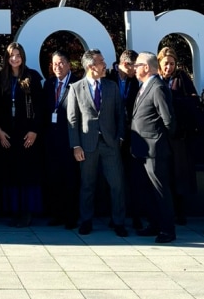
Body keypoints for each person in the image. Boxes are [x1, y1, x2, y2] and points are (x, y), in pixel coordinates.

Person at [66, 49, 127, 236]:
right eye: (101, 61)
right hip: (87, 145)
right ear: (91, 66)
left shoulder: (112, 86)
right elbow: (72, 119)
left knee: (117, 185)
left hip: (110, 144)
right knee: (87, 185)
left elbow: (120, 115)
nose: (105, 64)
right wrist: (75, 145)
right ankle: (86, 221)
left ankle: (118, 222)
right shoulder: (76, 88)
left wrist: (120, 137)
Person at [0, 42, 46, 227]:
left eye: (18, 55)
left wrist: (34, 131)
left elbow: (40, 107)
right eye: (11, 55)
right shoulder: (2, 78)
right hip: (8, 133)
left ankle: (27, 212)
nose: (14, 58)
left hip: (27, 133)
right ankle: (14, 210)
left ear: (22, 57)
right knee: (11, 172)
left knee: (27, 173)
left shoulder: (32, 77)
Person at [131, 52, 177, 243]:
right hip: (142, 150)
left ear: (147, 67)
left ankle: (167, 230)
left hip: (154, 149)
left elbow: (169, 120)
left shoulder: (157, 87)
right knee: (148, 190)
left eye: (137, 65)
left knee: (160, 190)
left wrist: (160, 140)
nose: (134, 68)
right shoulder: (144, 86)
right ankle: (154, 224)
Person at [157, 47, 200, 225]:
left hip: (178, 136)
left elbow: (193, 101)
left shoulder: (181, 78)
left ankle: (180, 212)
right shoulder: (155, 79)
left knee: (179, 174)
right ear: (159, 63)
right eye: (166, 63)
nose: (169, 67)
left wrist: (173, 102)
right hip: (160, 135)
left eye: (172, 64)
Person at [43, 51, 80, 229]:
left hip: (70, 139)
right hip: (52, 140)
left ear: (69, 65)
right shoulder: (49, 84)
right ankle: (57, 214)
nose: (57, 67)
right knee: (54, 178)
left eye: (61, 63)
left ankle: (71, 216)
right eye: (54, 64)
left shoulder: (77, 84)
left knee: (70, 179)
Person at [108, 49, 142, 230]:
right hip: (110, 135)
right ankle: (114, 216)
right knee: (114, 178)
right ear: (126, 64)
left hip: (131, 134)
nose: (136, 70)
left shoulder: (136, 81)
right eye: (134, 67)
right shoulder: (107, 77)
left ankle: (135, 215)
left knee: (133, 177)